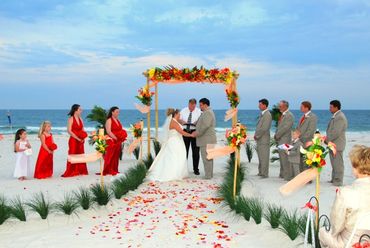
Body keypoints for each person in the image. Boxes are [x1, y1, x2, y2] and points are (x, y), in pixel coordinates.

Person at [319, 145, 370, 248]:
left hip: (352, 242)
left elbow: (337, 223)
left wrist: (334, 234)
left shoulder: (346, 192)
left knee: (322, 232)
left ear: (356, 168)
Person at [147, 109, 193, 181]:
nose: (180, 115)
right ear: (176, 114)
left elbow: (181, 127)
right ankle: (173, 173)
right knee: (174, 157)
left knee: (179, 156)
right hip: (174, 142)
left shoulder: (175, 121)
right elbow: (181, 132)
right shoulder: (173, 122)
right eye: (179, 114)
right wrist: (191, 135)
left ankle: (179, 172)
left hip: (178, 141)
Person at [193, 98, 217, 179]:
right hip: (208, 139)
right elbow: (204, 123)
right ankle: (209, 175)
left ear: (205, 105)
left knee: (206, 158)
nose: (200, 107)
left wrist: (197, 133)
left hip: (206, 139)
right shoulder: (207, 112)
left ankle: (208, 175)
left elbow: (205, 125)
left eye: (201, 105)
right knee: (209, 158)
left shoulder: (207, 113)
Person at [62, 104, 88, 177]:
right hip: (73, 140)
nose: (81, 110)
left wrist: (83, 137)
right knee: (72, 154)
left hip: (80, 140)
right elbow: (69, 131)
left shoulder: (81, 119)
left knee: (80, 154)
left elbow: (82, 129)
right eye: (80, 109)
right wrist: (77, 138)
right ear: (75, 110)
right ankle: (71, 171)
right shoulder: (71, 119)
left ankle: (80, 170)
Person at [326, 100, 348, 186]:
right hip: (333, 144)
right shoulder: (336, 116)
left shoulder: (340, 117)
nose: (329, 109)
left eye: (331, 107)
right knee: (334, 163)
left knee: (338, 163)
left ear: (336, 107)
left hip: (337, 144)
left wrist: (327, 139)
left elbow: (336, 132)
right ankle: (334, 179)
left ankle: (338, 181)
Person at [179, 98, 202, 175]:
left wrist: (197, 122)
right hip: (185, 131)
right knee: (184, 151)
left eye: (193, 105)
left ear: (195, 105)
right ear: (188, 104)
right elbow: (179, 119)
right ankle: (183, 169)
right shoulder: (183, 110)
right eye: (190, 105)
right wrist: (182, 121)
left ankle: (196, 169)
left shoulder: (199, 111)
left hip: (194, 132)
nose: (191, 107)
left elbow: (201, 120)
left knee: (196, 152)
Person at [103, 106, 127, 176]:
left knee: (116, 156)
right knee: (110, 155)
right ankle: (109, 170)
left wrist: (120, 137)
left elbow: (120, 130)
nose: (118, 113)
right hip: (111, 140)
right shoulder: (109, 120)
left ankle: (114, 169)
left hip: (118, 140)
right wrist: (115, 138)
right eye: (116, 112)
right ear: (112, 112)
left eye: (118, 112)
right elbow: (108, 131)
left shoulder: (117, 120)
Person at [274, 100, 295, 181]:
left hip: (285, 139)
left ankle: (288, 176)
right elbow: (279, 127)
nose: (279, 107)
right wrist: (276, 135)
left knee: (285, 158)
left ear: (285, 106)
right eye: (279, 106)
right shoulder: (283, 115)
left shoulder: (290, 115)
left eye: (280, 106)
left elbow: (286, 128)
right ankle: (283, 174)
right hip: (280, 139)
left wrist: (277, 135)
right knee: (282, 157)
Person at [296, 101, 318, 172]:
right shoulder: (303, 117)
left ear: (306, 108)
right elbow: (298, 128)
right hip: (300, 142)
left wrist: (300, 139)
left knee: (307, 161)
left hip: (307, 142)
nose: (300, 108)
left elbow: (310, 131)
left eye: (301, 107)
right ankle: (302, 176)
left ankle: (308, 179)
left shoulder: (313, 117)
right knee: (301, 160)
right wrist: (295, 137)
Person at [254, 98, 272, 178]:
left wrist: (257, 136)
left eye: (260, 104)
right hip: (260, 139)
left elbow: (265, 128)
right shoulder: (263, 114)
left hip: (263, 139)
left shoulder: (267, 114)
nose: (259, 106)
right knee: (261, 156)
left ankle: (264, 173)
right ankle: (261, 172)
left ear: (265, 105)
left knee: (264, 157)